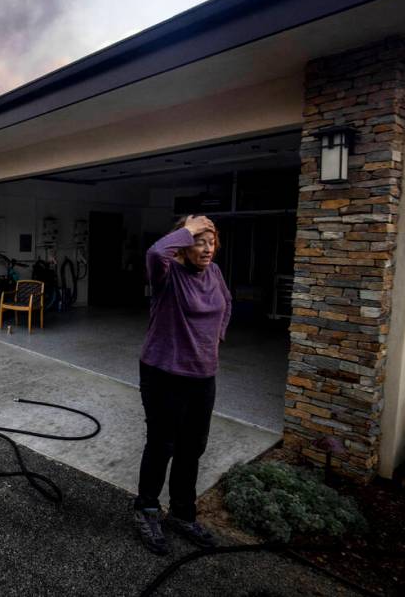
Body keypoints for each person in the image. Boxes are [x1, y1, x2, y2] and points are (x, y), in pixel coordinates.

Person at [133, 214, 231, 555]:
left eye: (211, 241)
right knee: (163, 444)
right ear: (184, 245)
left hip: (203, 375)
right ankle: (146, 509)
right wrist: (188, 229)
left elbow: (226, 304)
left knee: (192, 447)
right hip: (163, 373)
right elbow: (154, 253)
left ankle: (182, 513)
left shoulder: (215, 274)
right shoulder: (167, 274)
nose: (207, 248)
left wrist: (215, 338)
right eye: (199, 241)